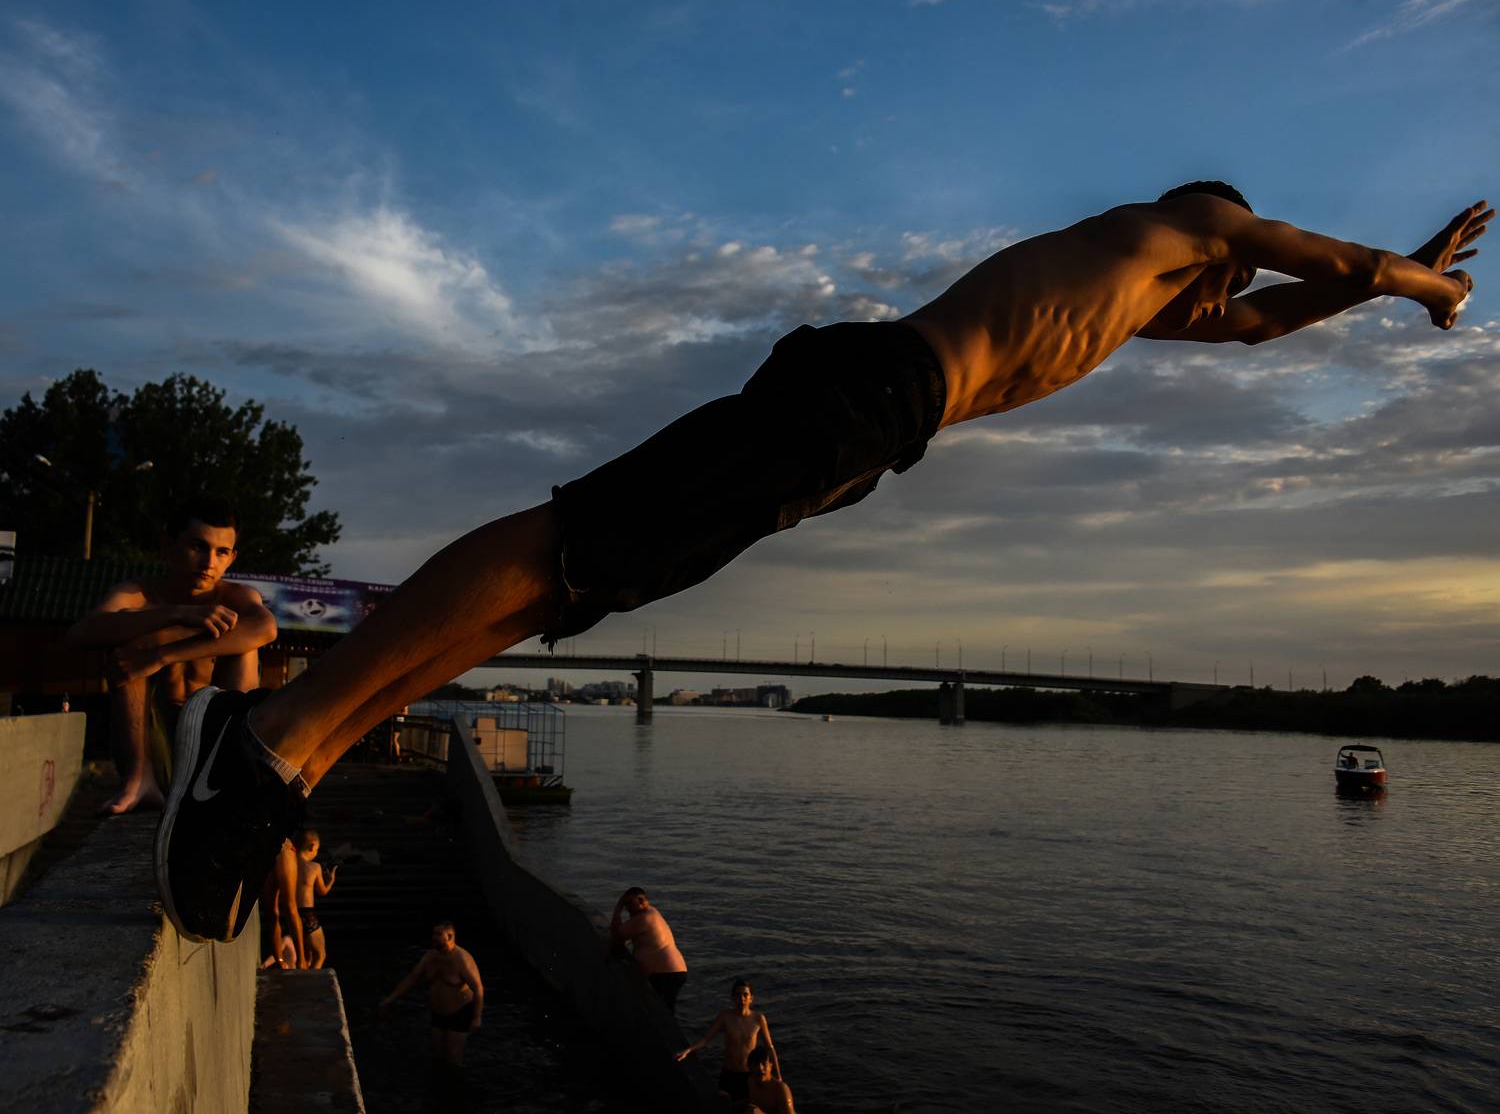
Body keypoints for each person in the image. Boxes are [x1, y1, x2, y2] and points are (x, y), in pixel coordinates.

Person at [150, 186, 1489, 943]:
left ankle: (298, 756)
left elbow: (1266, 325)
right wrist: (1422, 287)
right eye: (1229, 274)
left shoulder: (1142, 303)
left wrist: (1379, 288)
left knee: (588, 583)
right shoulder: (1182, 224)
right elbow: (1318, 260)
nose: (1223, 306)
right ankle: (269, 732)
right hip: (870, 393)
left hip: (875, 427)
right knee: (584, 535)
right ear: (1220, 227)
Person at [65, 497, 276, 814]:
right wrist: (176, 614)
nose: (209, 562)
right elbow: (80, 633)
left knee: (244, 643)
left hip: (214, 746)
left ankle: (233, 778)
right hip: (152, 745)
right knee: (130, 641)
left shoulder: (235, 596)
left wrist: (161, 655)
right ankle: (139, 779)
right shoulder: (138, 593)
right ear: (169, 545)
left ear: (232, 558)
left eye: (221, 552)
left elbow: (265, 627)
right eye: (198, 546)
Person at [378, 921, 485, 1066]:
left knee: (453, 1058)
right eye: (433, 934)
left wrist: (477, 1017)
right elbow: (412, 978)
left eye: (438, 934)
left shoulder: (462, 959)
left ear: (450, 936)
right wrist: (390, 999)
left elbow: (478, 989)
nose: (434, 937)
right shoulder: (430, 957)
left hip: (459, 1013)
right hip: (437, 1013)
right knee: (437, 1055)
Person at [676, 979, 782, 1106]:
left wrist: (778, 1077)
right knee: (723, 1106)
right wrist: (689, 1050)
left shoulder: (758, 1019)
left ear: (751, 998)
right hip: (728, 1073)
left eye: (745, 995)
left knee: (748, 1108)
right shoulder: (725, 1017)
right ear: (732, 998)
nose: (741, 998)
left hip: (750, 1075)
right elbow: (706, 1039)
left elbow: (769, 1048)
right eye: (737, 995)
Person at [611, 886, 689, 1012]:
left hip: (667, 973)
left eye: (630, 904)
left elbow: (616, 934)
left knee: (660, 1011)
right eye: (625, 905)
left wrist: (618, 907)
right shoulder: (651, 913)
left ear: (642, 902)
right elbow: (629, 937)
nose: (627, 908)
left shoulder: (645, 918)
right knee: (663, 1009)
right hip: (672, 972)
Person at [293, 828, 337, 969]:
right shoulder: (314, 867)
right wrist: (330, 880)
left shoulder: (289, 865)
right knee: (320, 954)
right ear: (312, 847)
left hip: (292, 913)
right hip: (308, 915)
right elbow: (322, 891)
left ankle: (304, 977)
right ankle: (311, 980)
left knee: (307, 956)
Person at [259, 838, 304, 969]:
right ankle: (279, 960)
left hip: (281, 845)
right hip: (264, 847)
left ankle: (301, 961)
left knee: (290, 907)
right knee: (271, 911)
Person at [745, 1046, 796, 1114]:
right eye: (756, 1065)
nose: (760, 1068)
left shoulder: (781, 1090)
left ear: (770, 1066)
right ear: (749, 1067)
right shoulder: (751, 1082)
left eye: (764, 1064)